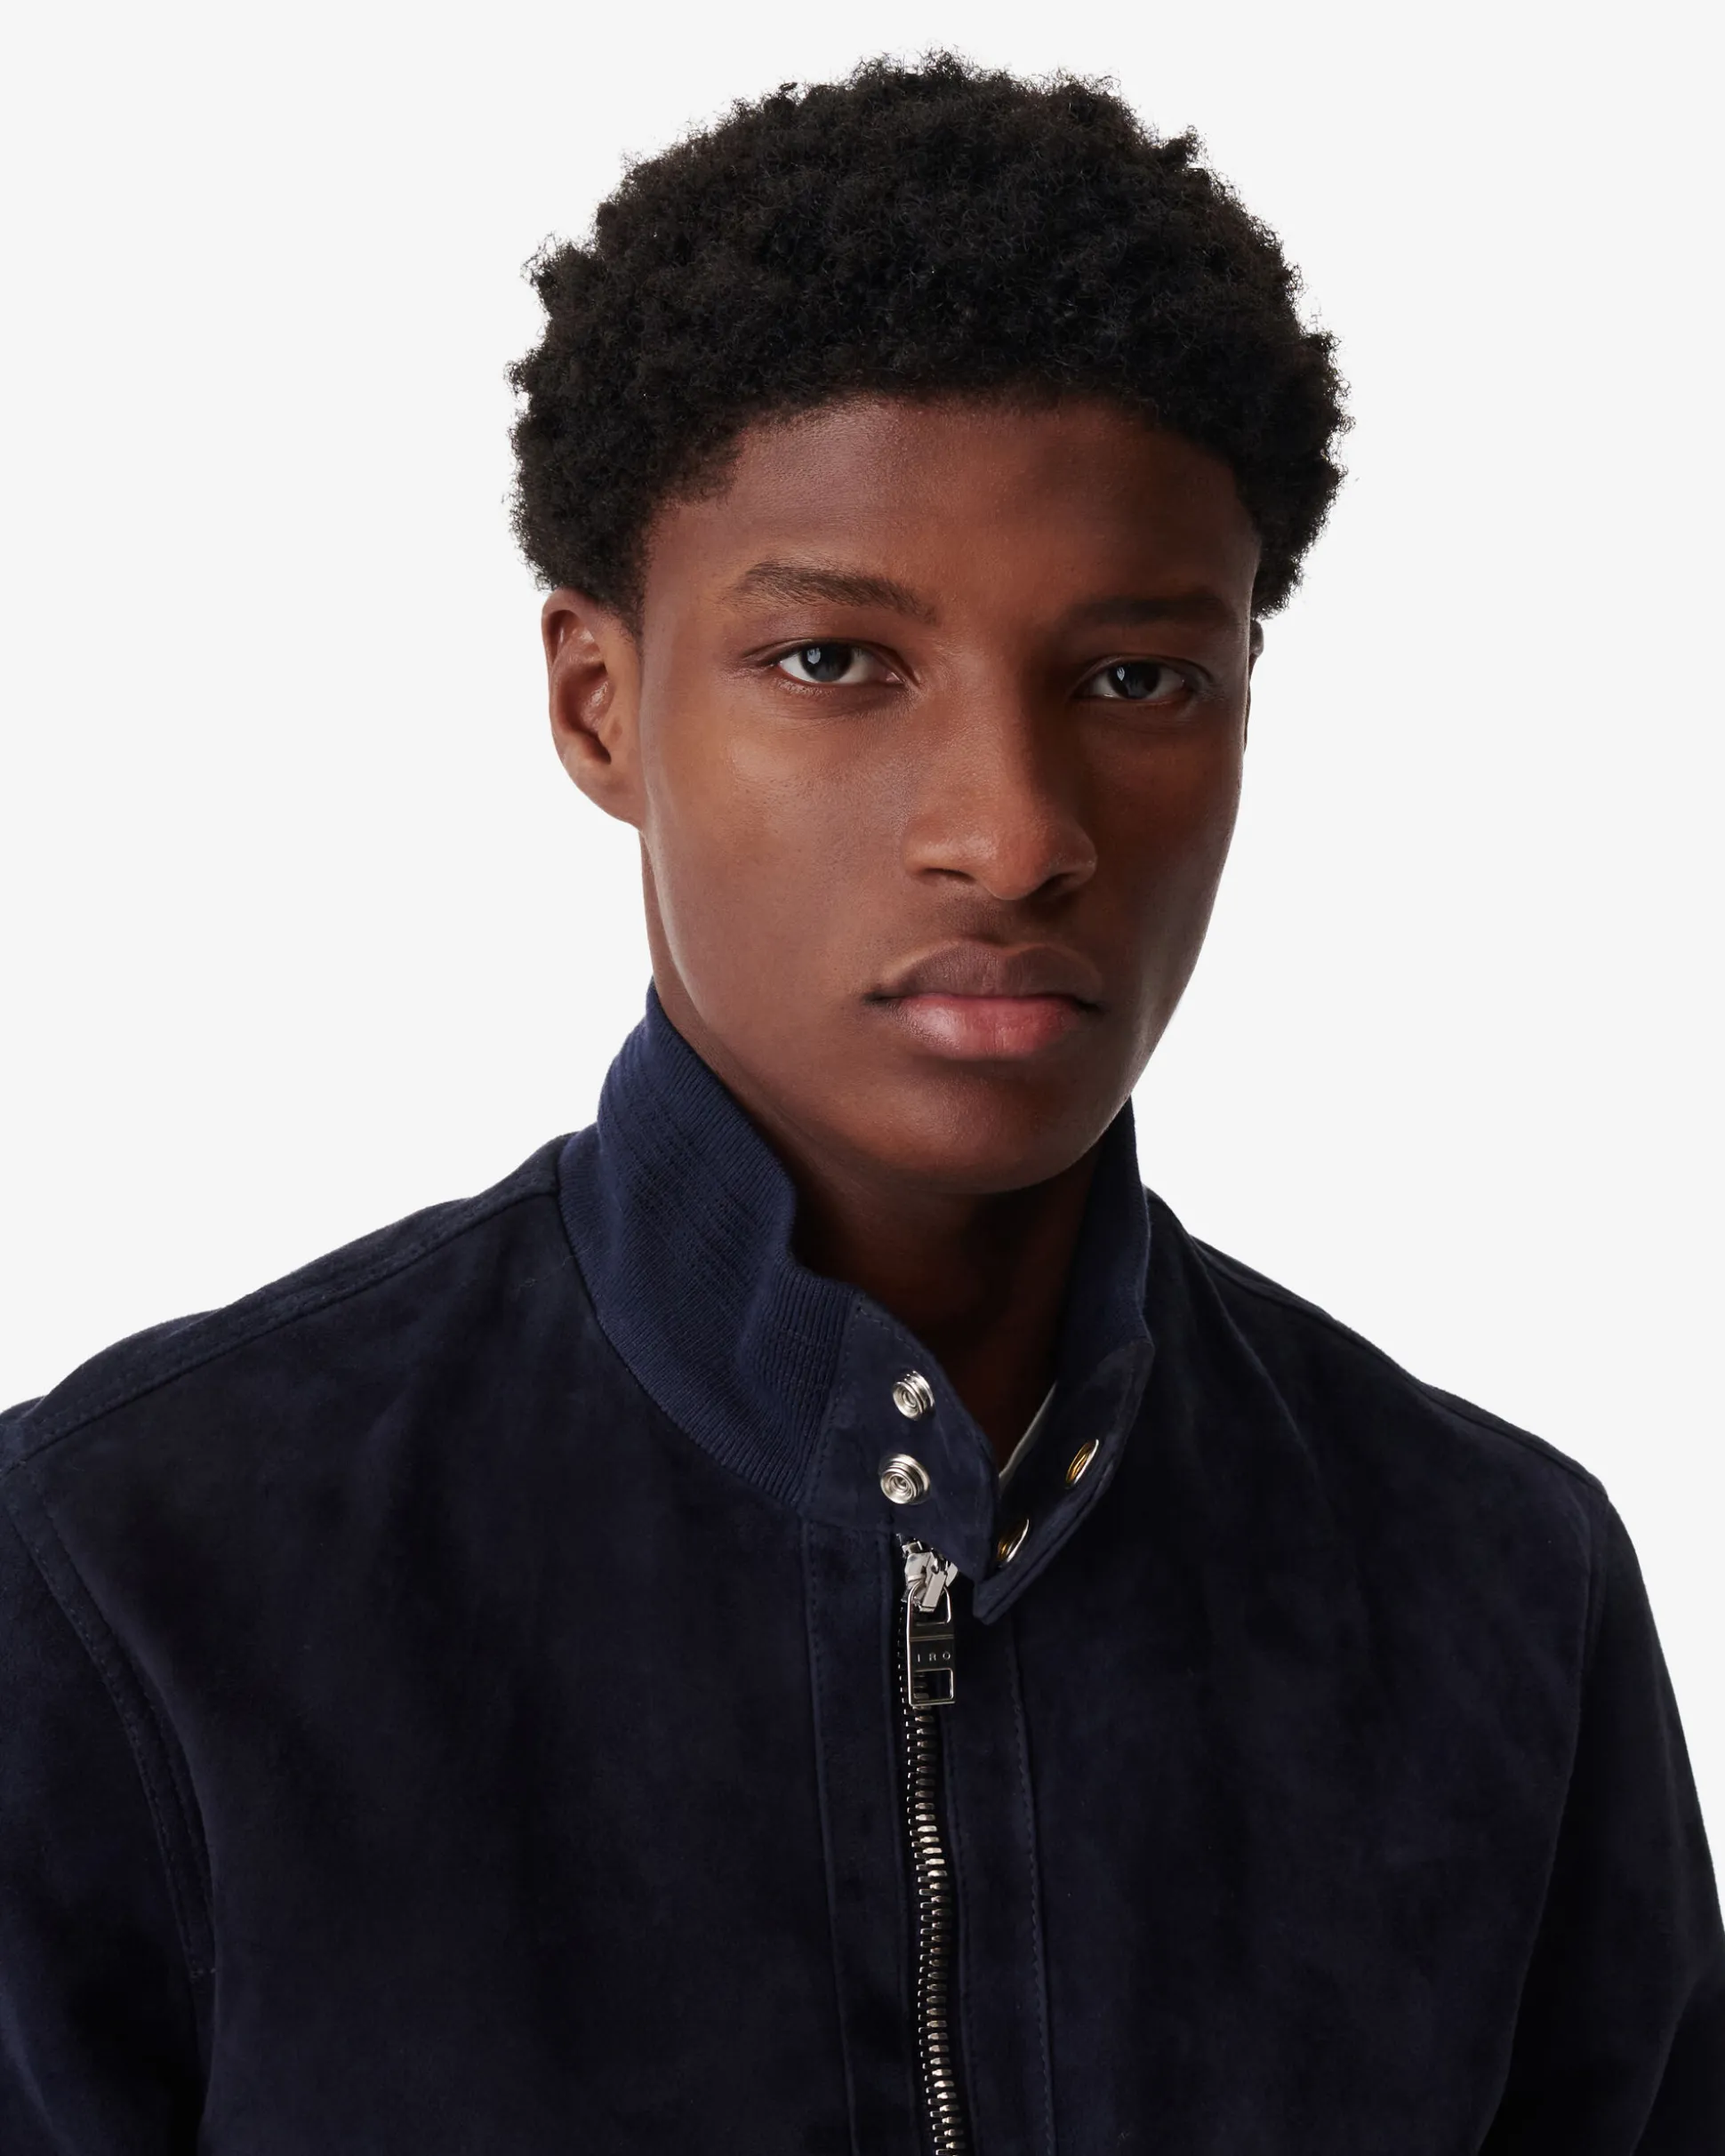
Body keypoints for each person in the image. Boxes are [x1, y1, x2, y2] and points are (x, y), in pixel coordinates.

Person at [1, 53, 1719, 2154]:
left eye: (1136, 678)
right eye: (833, 661)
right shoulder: (132, 1576)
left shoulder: (1497, 1595)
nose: (1012, 834)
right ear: (598, 703)